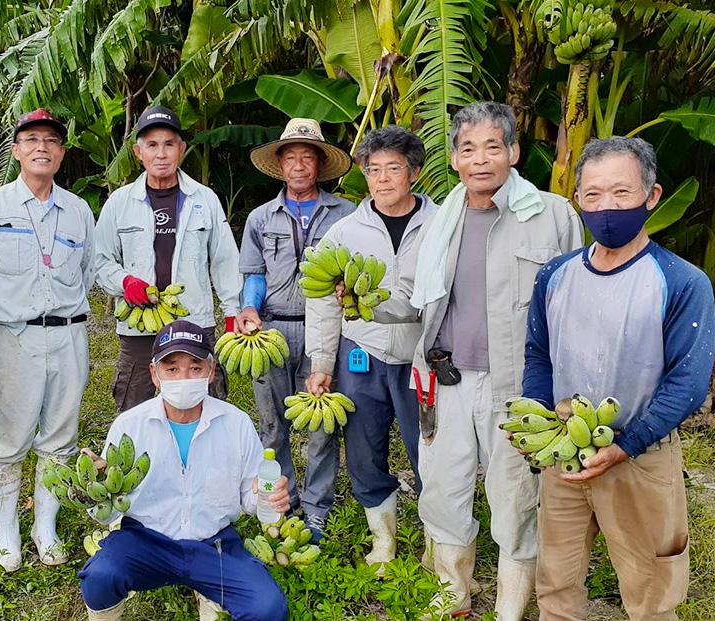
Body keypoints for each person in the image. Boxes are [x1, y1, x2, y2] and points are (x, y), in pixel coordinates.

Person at [373, 102, 583, 619]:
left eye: (494, 146)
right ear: (454, 157)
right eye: (469, 148)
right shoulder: (437, 222)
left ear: (513, 151)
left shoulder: (553, 215)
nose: (481, 158)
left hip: (517, 386)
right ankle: (453, 596)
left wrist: (567, 388)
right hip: (445, 380)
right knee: (443, 491)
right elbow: (409, 297)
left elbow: (574, 305)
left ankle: (510, 607)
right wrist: (360, 299)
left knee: (515, 494)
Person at [524, 137, 715, 620]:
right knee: (556, 586)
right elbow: (539, 356)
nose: (605, 206)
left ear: (651, 196)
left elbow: (687, 384)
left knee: (651, 594)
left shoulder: (681, 281)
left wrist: (626, 444)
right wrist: (539, 428)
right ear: (578, 200)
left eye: (621, 193)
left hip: (640, 458)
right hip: (564, 456)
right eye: (592, 195)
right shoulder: (555, 275)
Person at [76, 320, 290, 621]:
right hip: (145, 541)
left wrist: (265, 494)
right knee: (99, 577)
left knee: (268, 608)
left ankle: (208, 588)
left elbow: (249, 498)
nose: (184, 377)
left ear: (211, 370)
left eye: (195, 367)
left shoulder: (236, 423)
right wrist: (97, 486)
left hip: (213, 545)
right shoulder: (129, 426)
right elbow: (109, 513)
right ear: (155, 374)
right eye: (172, 369)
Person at [0, 109, 97, 571]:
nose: (43, 147)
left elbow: (88, 271)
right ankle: (7, 537)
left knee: (61, 438)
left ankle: (46, 528)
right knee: (9, 438)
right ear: (16, 150)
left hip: (69, 335)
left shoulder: (78, 210)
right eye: (32, 139)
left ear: (62, 153)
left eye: (52, 141)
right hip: (12, 338)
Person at [303, 125, 438, 574]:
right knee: (363, 449)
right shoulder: (344, 232)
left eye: (393, 169)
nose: (382, 179)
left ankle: (437, 541)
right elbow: (321, 302)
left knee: (431, 451)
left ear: (413, 173)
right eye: (373, 169)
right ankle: (383, 542)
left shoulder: (442, 226)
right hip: (362, 355)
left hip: (425, 356)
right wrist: (322, 362)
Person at [237, 118, 354, 539]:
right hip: (271, 330)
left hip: (325, 333)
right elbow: (254, 273)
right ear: (280, 165)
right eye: (292, 158)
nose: (300, 166)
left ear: (320, 165)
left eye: (308, 158)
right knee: (272, 423)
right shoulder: (260, 217)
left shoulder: (347, 214)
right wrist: (249, 309)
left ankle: (318, 504)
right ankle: (282, 499)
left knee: (322, 421)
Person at [94, 105, 243, 411]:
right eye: (152, 145)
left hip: (194, 319)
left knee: (203, 403)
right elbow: (99, 259)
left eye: (169, 144)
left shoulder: (204, 199)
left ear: (181, 149)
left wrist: (232, 313)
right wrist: (126, 282)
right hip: (140, 324)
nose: (160, 153)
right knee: (135, 403)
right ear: (138, 152)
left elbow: (224, 260)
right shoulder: (120, 203)